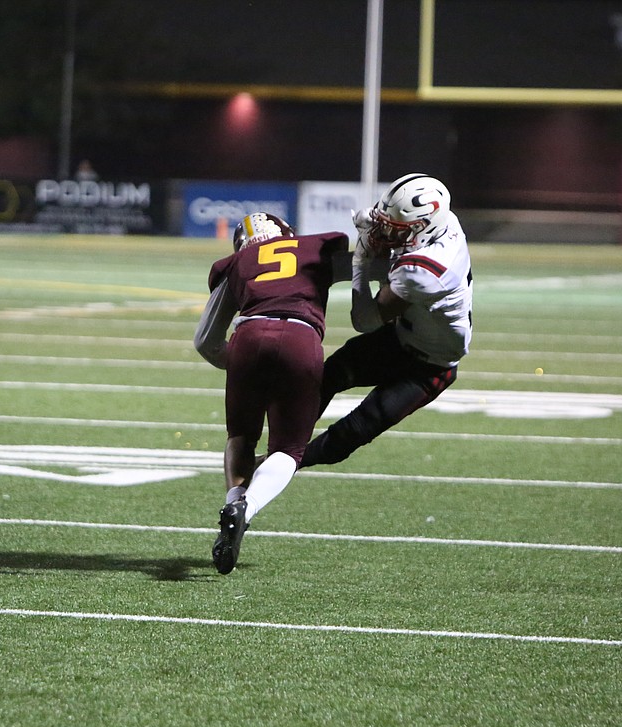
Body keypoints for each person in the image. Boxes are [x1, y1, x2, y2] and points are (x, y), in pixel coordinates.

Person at [194, 212, 350, 574]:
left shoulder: (238, 263)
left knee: (241, 436)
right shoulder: (313, 250)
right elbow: (365, 267)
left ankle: (234, 499)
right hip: (300, 336)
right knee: (289, 449)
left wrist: (238, 363)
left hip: (248, 335)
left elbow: (205, 340)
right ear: (286, 234)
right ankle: (247, 508)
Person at [300, 173, 473, 468]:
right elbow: (389, 226)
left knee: (355, 428)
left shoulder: (426, 272)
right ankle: (286, 447)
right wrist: (380, 223)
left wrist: (360, 262)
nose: (386, 233)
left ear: (421, 229)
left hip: (430, 365)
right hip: (404, 335)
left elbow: (365, 320)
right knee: (329, 374)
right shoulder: (441, 222)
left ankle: (283, 464)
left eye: (397, 229)